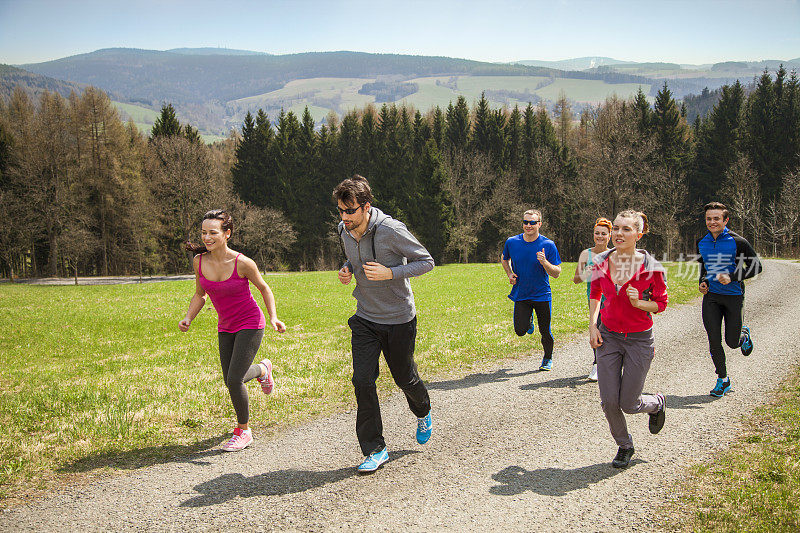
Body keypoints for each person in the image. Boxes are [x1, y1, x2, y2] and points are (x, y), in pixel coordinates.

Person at [334, 175, 434, 474]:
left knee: (404, 378)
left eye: (350, 211)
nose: (344, 217)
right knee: (362, 381)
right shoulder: (344, 230)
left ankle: (423, 409)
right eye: (340, 210)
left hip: (399, 318)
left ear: (366, 207)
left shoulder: (391, 230)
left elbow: (427, 261)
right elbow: (356, 258)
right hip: (365, 317)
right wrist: (347, 269)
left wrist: (390, 273)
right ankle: (375, 449)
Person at [178, 209, 286, 452]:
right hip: (225, 325)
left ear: (227, 234)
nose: (207, 237)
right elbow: (200, 294)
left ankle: (243, 431)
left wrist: (274, 317)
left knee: (234, 379)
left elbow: (264, 288)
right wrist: (188, 317)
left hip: (250, 322)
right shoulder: (199, 261)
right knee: (230, 379)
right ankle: (262, 369)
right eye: (204, 232)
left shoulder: (243, 263)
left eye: (213, 232)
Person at [589, 210, 667, 469]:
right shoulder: (601, 260)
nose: (618, 234)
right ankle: (625, 445)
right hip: (609, 335)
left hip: (639, 340)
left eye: (626, 229)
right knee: (609, 401)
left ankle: (656, 404)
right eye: (617, 229)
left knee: (629, 403)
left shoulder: (651, 267)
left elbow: (661, 304)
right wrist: (593, 326)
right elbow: (596, 292)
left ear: (639, 234)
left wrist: (638, 302)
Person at [696, 201, 762, 397]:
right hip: (712, 298)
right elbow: (704, 267)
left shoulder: (738, 242)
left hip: (733, 296)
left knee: (732, 342)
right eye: (709, 219)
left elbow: (757, 267)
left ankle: (743, 335)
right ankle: (723, 379)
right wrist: (703, 281)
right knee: (714, 341)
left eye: (716, 218)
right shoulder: (702, 242)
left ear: (725, 220)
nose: (712, 222)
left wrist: (732, 277)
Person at [501, 209, 562, 371]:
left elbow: (556, 273)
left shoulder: (548, 245)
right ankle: (528, 321)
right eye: (526, 222)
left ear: (539, 224)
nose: (528, 225)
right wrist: (509, 273)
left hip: (542, 295)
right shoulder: (512, 242)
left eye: (532, 222)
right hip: (521, 293)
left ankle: (547, 358)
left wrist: (544, 263)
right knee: (520, 331)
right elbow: (504, 258)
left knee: (545, 331)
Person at [572, 217, 612, 381]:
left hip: (612, 298)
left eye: (604, 233)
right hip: (594, 298)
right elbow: (576, 279)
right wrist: (586, 273)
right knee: (597, 328)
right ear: (593, 235)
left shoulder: (614, 253)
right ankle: (597, 364)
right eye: (597, 233)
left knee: (611, 331)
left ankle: (611, 363)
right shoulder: (585, 254)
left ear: (609, 235)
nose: (600, 236)